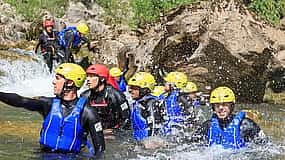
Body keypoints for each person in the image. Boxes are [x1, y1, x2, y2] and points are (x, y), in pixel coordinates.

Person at [0, 63, 105, 156]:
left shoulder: (88, 113)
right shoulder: (47, 104)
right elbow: (20, 101)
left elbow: (100, 150)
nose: (53, 82)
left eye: (58, 78)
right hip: (43, 155)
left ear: (69, 83)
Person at [189, 86, 266, 149]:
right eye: (217, 105)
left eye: (225, 104)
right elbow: (189, 146)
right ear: (213, 107)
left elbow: (265, 147)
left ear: (231, 106)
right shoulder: (207, 126)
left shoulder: (246, 125)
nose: (221, 108)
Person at [81, 64, 130, 132]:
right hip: (93, 134)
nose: (88, 79)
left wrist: (115, 132)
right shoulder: (84, 96)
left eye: (92, 76)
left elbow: (126, 120)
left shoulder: (117, 96)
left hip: (113, 135)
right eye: (88, 76)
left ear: (102, 78)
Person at [128, 72, 164, 141]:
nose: (130, 90)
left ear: (144, 89)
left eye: (134, 88)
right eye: (131, 87)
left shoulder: (151, 103)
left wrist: (151, 142)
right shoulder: (137, 103)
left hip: (150, 145)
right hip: (140, 141)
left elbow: (155, 126)